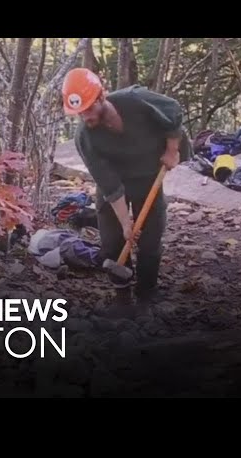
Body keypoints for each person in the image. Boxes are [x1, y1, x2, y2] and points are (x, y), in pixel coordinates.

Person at [61, 67, 190, 305]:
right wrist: (125, 223)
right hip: (115, 184)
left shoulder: (135, 100)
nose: (86, 117)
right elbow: (108, 182)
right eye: (79, 113)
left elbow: (172, 111)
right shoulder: (85, 137)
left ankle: (147, 292)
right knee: (112, 240)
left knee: (150, 239)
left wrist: (172, 150)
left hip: (149, 174)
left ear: (102, 97)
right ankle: (122, 295)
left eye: (89, 108)